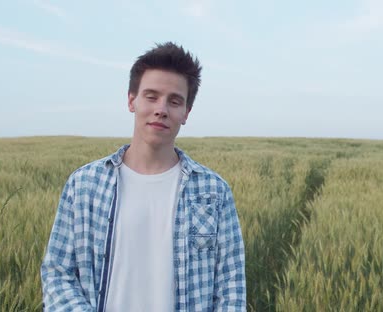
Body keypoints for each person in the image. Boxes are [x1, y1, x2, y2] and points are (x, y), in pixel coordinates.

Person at [41, 42, 246, 311]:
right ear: (131, 100)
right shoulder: (84, 185)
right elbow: (58, 273)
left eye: (174, 101)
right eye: (151, 96)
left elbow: (231, 286)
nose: (161, 109)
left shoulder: (214, 191)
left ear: (186, 113)